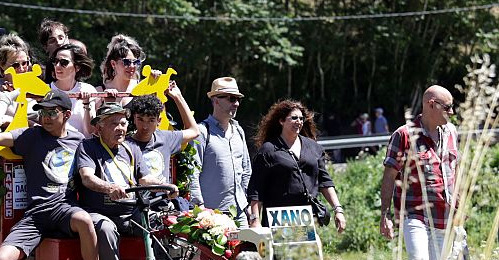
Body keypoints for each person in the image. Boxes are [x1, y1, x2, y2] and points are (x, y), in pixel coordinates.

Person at [0, 89, 102, 260]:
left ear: (67, 115)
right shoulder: (32, 136)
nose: (45, 118)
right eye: (42, 112)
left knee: (85, 220)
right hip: (36, 214)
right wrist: (2, 103)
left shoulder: (79, 141)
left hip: (64, 208)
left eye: (52, 112)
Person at [74, 103, 177, 260]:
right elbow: (87, 177)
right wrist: (108, 188)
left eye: (123, 123)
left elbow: (145, 179)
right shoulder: (88, 147)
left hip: (130, 212)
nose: (120, 128)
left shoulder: (132, 148)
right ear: (98, 128)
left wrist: (165, 186)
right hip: (98, 211)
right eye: (114, 123)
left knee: (159, 226)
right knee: (105, 228)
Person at [380, 85, 461, 260]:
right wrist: (385, 214)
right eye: (448, 107)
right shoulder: (404, 135)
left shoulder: (451, 132)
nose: (452, 112)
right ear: (431, 105)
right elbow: (389, 176)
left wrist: (460, 203)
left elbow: (456, 168)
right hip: (415, 215)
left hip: (445, 215)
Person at [247, 100, 346, 233]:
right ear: (281, 121)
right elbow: (256, 189)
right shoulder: (268, 150)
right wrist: (255, 221)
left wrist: (338, 209)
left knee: (308, 253)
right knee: (281, 254)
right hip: (277, 218)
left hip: (307, 216)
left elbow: (325, 182)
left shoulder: (313, 147)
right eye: (294, 118)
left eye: (301, 118)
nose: (299, 121)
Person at [189, 77, 251, 226]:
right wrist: (200, 208)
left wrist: (247, 202)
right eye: (231, 99)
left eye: (237, 99)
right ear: (216, 100)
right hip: (212, 215)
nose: (236, 103)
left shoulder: (238, 131)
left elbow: (246, 170)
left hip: (240, 212)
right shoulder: (202, 132)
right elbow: (193, 173)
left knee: (246, 249)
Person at [125, 83, 199, 184]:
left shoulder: (165, 138)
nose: (145, 126)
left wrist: (178, 97)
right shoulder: (125, 145)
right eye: (140, 119)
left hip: (164, 197)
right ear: (134, 118)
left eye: (151, 120)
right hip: (136, 198)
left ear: (158, 121)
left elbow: (194, 131)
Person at [48, 44, 97, 137]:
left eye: (64, 62)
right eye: (55, 61)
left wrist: (86, 103)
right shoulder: (45, 90)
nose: (57, 66)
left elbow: (91, 131)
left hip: (80, 147)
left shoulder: (88, 89)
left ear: (77, 67)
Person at [97, 34, 146, 108]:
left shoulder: (143, 89)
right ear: (113, 64)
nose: (132, 66)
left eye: (136, 62)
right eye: (126, 62)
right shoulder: (99, 92)